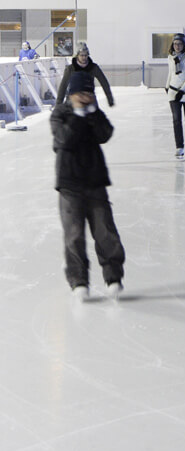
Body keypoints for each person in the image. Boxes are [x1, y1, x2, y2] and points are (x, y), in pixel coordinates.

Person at [51, 71, 125, 301]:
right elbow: (64, 140)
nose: (85, 97)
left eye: (89, 92)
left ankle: (113, 276)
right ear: (72, 93)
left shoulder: (94, 113)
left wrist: (92, 113)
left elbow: (105, 134)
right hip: (69, 183)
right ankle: (79, 280)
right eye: (81, 92)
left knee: (105, 232)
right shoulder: (60, 114)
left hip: (95, 180)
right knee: (74, 235)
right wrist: (79, 114)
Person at [55, 43, 116, 107]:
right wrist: (59, 104)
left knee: (96, 115)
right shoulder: (70, 69)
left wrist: (110, 99)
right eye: (81, 55)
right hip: (74, 99)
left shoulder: (93, 67)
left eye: (86, 55)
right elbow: (63, 86)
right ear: (77, 56)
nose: (84, 57)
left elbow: (104, 83)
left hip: (89, 98)